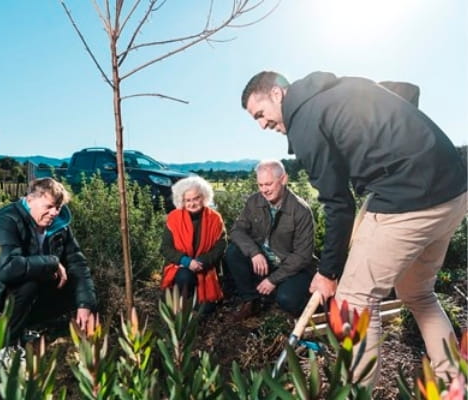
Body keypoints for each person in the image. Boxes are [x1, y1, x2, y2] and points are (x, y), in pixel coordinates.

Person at [240, 70, 467, 386]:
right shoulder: (343, 87)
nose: (263, 124)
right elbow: (405, 90)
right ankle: (453, 382)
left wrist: (328, 272)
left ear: (278, 94)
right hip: (455, 191)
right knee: (418, 293)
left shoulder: (304, 120)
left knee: (355, 301)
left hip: (409, 199)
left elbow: (338, 205)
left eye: (260, 114)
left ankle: (355, 393)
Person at [0, 178, 97, 346]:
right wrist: (52, 262)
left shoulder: (60, 226)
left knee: (80, 286)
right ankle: (3, 345)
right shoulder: (6, 219)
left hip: (26, 296)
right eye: (49, 207)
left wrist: (85, 304)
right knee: (29, 285)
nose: (54, 213)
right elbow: (7, 269)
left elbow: (77, 264)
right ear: (30, 200)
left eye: (58, 208)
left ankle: (28, 330)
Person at [225, 159, 317, 321]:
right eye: (260, 185)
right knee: (233, 252)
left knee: (287, 299)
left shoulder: (301, 210)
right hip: (265, 261)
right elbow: (237, 231)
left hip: (291, 267)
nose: (264, 190)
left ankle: (314, 303)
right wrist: (254, 253)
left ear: (283, 180)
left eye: (268, 184)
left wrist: (273, 280)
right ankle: (251, 301)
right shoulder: (254, 201)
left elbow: (302, 256)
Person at [160, 176, 226, 310]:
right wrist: (186, 262)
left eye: (196, 198)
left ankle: (197, 302)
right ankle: (181, 303)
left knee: (207, 310)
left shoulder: (215, 218)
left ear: (204, 197)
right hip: (181, 267)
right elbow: (165, 248)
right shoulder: (174, 218)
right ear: (182, 201)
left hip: (205, 267)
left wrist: (202, 261)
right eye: (188, 200)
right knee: (185, 276)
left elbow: (221, 246)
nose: (192, 203)